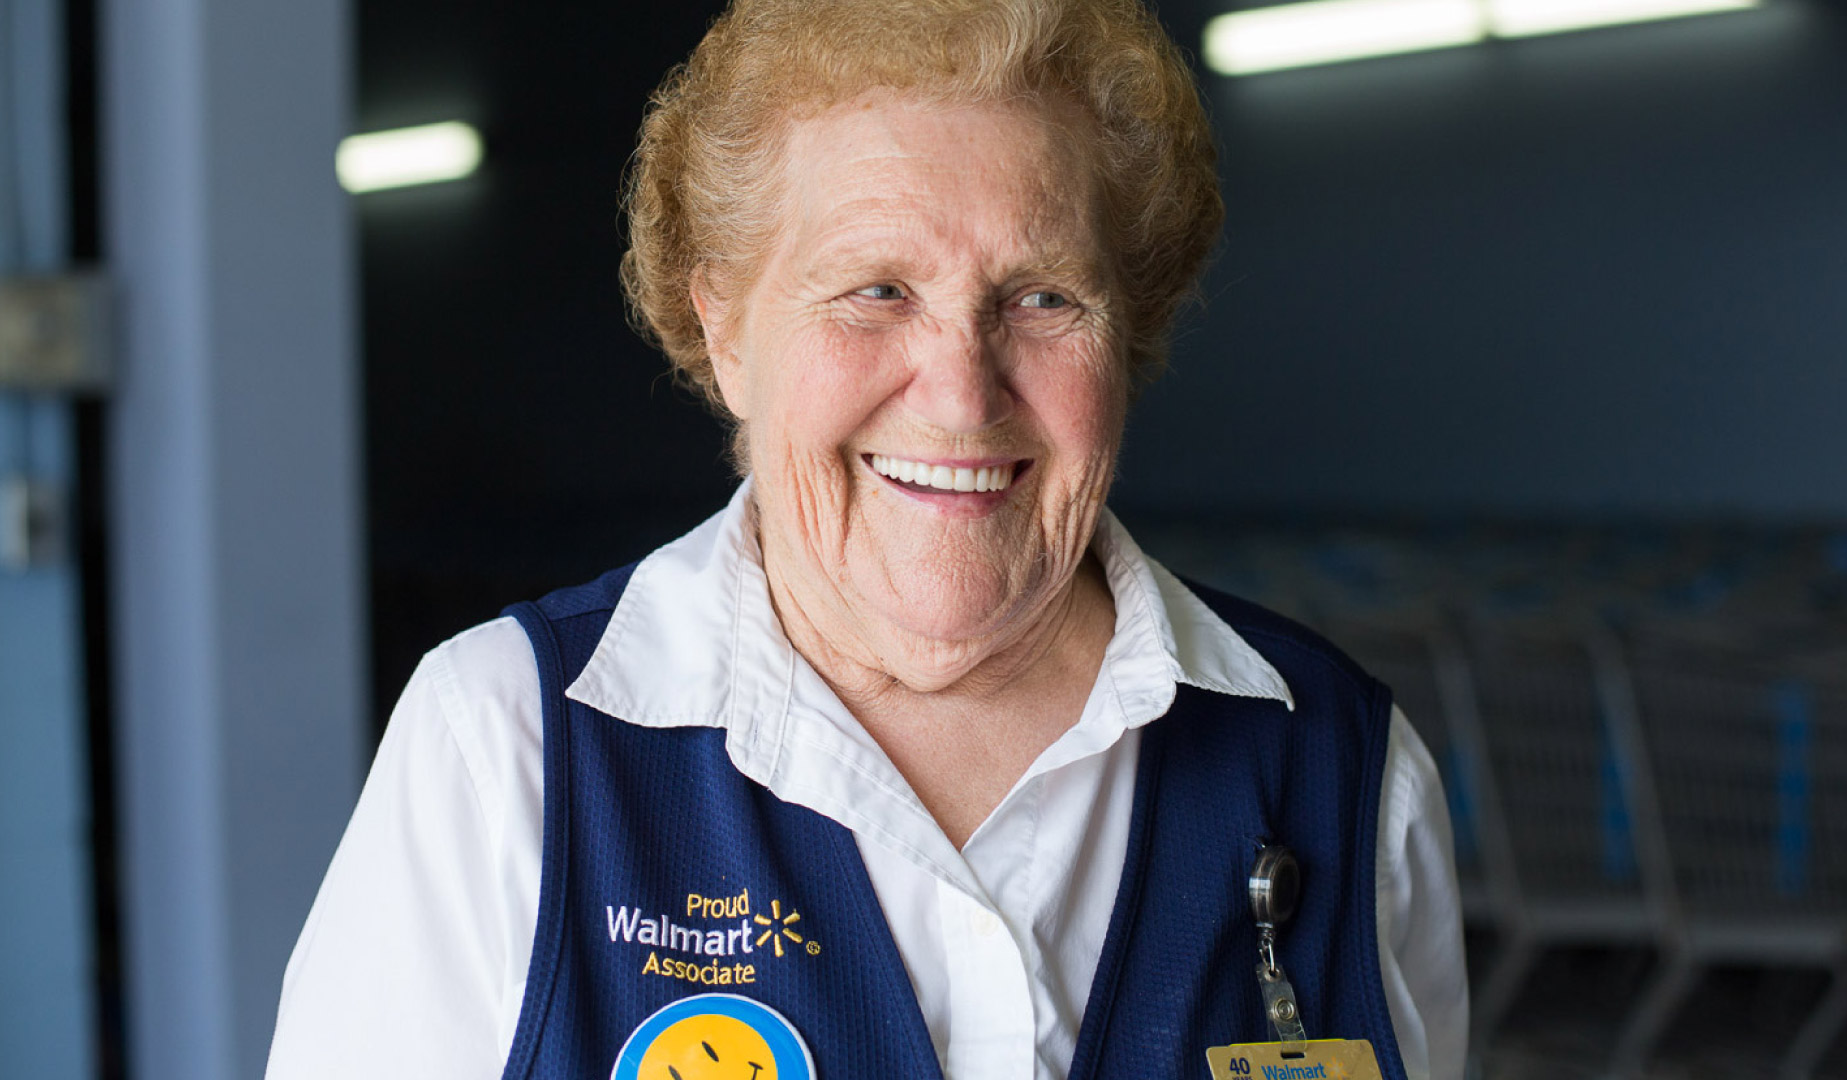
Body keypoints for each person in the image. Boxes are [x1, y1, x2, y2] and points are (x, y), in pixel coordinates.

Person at [265, 0, 1468, 1077]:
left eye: (1044, 297)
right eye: (875, 290)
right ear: (726, 331)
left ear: (1130, 334)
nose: (959, 393)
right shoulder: (510, 753)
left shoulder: (1339, 772)